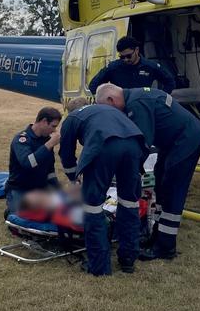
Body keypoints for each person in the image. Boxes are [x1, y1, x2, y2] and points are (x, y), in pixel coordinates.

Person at [95, 83, 200, 260]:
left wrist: (128, 170)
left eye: (108, 109)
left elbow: (142, 142)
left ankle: (165, 248)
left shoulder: (137, 103)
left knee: (172, 189)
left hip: (186, 141)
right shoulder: (135, 98)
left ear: (111, 99)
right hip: (173, 143)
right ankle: (157, 237)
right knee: (161, 185)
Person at [59, 97, 147, 276]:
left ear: (71, 111)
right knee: (129, 202)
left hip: (104, 145)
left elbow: (66, 153)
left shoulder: (72, 118)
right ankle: (128, 260)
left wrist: (73, 177)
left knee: (92, 208)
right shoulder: (108, 110)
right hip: (134, 145)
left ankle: (99, 267)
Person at [5, 107, 62, 218]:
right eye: (53, 126)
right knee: (22, 218)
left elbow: (50, 170)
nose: (54, 131)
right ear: (44, 121)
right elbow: (28, 163)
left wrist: (58, 191)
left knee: (61, 212)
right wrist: (50, 144)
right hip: (20, 188)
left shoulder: (46, 140)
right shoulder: (21, 140)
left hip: (40, 188)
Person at [88, 36, 176, 95]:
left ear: (137, 50)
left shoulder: (150, 66)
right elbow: (93, 86)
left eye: (128, 56)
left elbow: (170, 82)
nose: (126, 59)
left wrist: (159, 98)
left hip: (142, 107)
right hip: (121, 109)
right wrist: (109, 98)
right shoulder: (113, 67)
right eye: (122, 57)